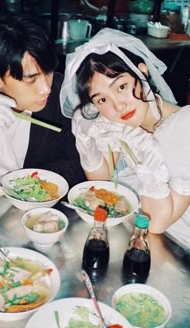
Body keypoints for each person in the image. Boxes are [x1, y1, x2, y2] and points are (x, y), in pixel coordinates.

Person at [60, 28, 190, 249]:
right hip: (140, 235)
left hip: (178, 247)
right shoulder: (122, 122)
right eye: (101, 100)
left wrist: (146, 152)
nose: (117, 106)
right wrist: (84, 141)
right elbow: (103, 177)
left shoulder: (183, 129)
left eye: (121, 86)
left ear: (142, 73)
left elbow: (156, 224)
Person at [0, 13, 86, 210]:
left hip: (40, 216)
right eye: (30, 79)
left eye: (48, 71)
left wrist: (21, 185)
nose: (45, 88)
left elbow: (77, 163)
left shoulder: (62, 95)